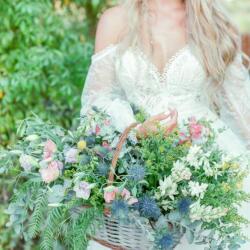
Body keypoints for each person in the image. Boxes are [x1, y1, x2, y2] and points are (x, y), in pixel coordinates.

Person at [81, 0, 250, 249]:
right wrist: (135, 130)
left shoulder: (214, 22)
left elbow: (240, 108)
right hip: (137, 157)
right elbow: (98, 99)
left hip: (208, 158)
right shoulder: (115, 19)